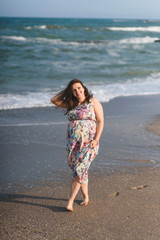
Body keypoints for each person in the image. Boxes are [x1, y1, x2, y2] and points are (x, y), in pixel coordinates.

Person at [51, 79, 104, 212]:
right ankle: (86, 197)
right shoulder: (71, 104)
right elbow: (54, 100)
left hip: (89, 143)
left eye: (79, 88)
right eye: (74, 90)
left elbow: (100, 121)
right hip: (73, 144)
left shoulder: (93, 101)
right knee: (80, 171)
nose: (77, 91)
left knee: (78, 171)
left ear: (84, 88)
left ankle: (70, 202)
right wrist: (67, 92)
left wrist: (96, 140)